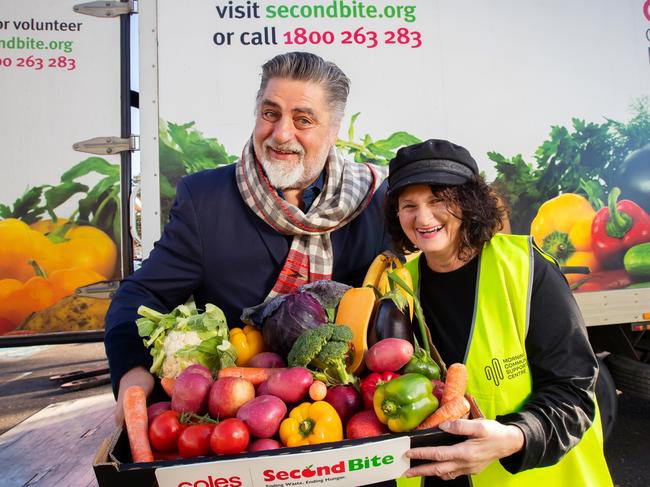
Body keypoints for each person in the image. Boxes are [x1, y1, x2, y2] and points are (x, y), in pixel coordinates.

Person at [105, 51, 389, 423]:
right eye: (270, 114)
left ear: (333, 132)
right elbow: (142, 295)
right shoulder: (204, 200)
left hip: (352, 414)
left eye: (303, 120)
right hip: (243, 423)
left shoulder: (376, 199)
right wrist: (132, 373)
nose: (281, 133)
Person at [383, 139, 612, 486]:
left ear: (468, 202)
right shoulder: (399, 288)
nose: (423, 217)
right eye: (408, 205)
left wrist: (516, 436)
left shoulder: (526, 269)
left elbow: (575, 392)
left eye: (437, 200)